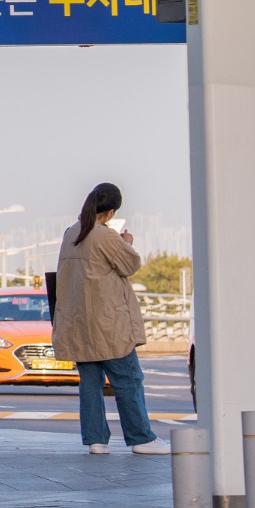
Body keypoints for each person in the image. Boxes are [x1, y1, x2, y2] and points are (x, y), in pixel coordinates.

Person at [52, 181, 165, 455]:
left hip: (79, 323)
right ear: (111, 211)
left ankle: (96, 441)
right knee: (128, 379)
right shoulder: (105, 236)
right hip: (108, 324)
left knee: (90, 382)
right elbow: (130, 265)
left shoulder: (71, 233)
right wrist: (127, 243)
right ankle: (141, 438)